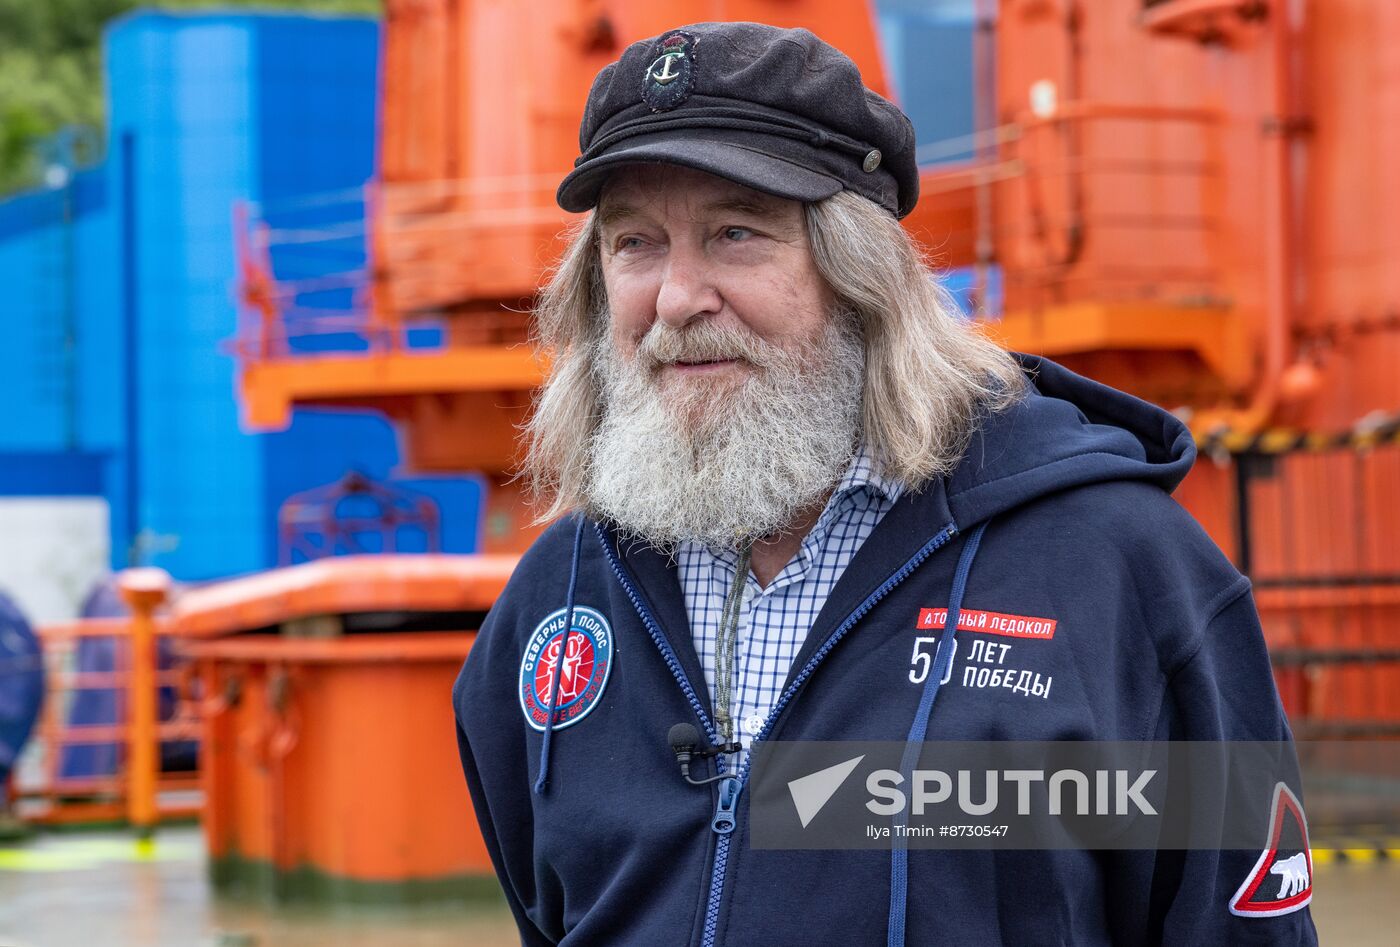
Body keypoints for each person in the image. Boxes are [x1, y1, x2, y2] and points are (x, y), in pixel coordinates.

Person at [453, 21, 1317, 946]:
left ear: (858, 273)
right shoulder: (555, 602)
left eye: (737, 233)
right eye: (635, 244)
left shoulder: (1121, 575)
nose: (676, 298)